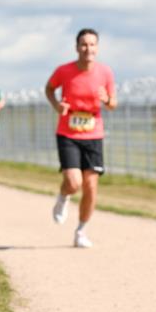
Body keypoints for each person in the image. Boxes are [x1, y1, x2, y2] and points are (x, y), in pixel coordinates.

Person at [45, 28, 117, 248]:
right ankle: (63, 196)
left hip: (93, 134)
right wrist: (57, 105)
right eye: (84, 44)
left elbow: (113, 104)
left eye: (92, 44)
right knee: (74, 182)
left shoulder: (105, 73)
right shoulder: (64, 71)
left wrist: (107, 100)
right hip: (68, 133)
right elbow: (49, 89)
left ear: (97, 48)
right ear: (77, 48)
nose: (88, 49)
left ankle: (81, 231)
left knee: (91, 186)